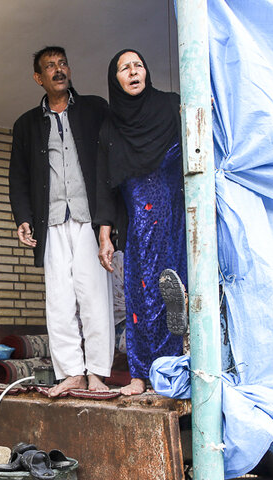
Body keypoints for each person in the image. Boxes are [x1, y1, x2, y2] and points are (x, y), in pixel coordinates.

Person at [9, 45, 115, 397]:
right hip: (51, 222)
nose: (58, 70)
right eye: (50, 66)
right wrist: (23, 217)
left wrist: (110, 221)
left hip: (89, 219)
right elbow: (19, 177)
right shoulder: (26, 125)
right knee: (58, 300)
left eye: (62, 64)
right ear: (38, 78)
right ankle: (72, 372)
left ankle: (98, 372)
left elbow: (111, 161)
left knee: (93, 296)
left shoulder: (95, 109)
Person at [96, 49, 187, 395]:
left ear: (146, 71)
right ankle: (140, 375)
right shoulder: (110, 128)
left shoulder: (170, 107)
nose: (133, 72)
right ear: (115, 79)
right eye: (124, 68)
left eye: (138, 66)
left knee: (175, 292)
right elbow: (104, 186)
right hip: (138, 229)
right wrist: (105, 236)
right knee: (140, 295)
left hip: (175, 223)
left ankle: (174, 372)